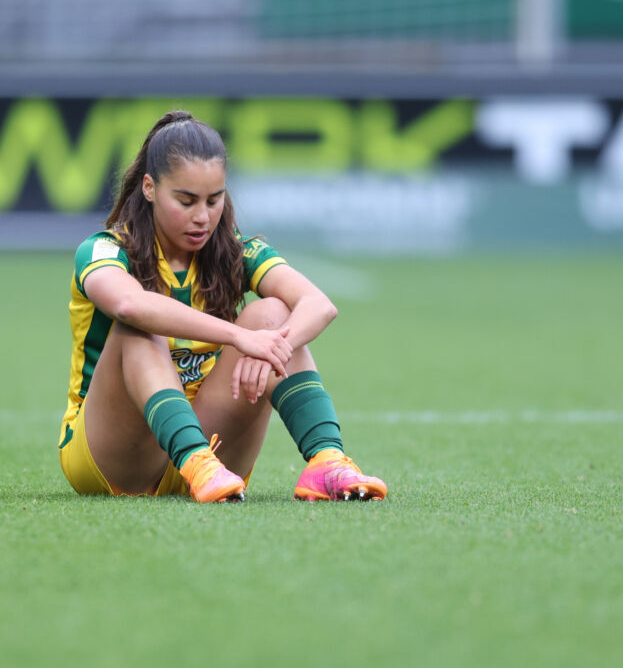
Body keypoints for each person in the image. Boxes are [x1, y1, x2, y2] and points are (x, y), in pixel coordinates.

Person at [58, 110, 388, 503]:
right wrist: (241, 338)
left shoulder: (237, 251)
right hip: (114, 458)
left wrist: (273, 344)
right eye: (186, 200)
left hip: (215, 454)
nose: (202, 217)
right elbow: (128, 304)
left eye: (214, 200)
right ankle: (194, 460)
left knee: (273, 315)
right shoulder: (104, 249)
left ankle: (326, 461)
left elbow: (319, 305)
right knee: (139, 326)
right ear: (149, 187)